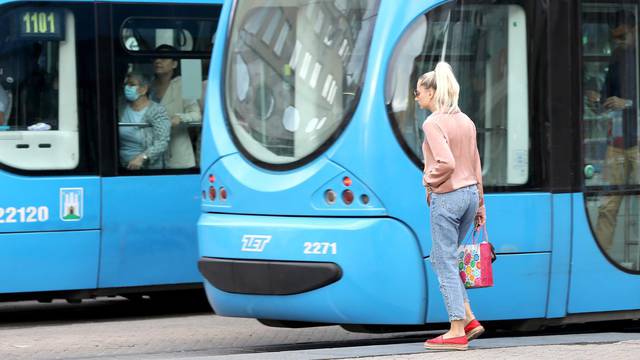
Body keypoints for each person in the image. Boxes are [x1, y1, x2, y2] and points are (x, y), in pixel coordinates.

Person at [415, 62, 486, 351]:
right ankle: (468, 318)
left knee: (442, 260)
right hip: (470, 195)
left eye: (418, 92)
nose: (416, 96)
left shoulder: (432, 123)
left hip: (448, 196)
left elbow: (447, 162)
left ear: (432, 93)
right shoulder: (466, 120)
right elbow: (476, 163)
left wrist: (428, 180)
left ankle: (456, 329)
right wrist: (481, 204)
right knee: (448, 258)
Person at [587, 10, 638, 252]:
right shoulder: (616, 60)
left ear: (635, 31)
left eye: (622, 36)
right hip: (617, 142)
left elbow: (623, 101)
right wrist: (597, 100)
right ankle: (600, 258)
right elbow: (607, 100)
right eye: (615, 38)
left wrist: (626, 103)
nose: (618, 43)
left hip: (637, 141)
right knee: (608, 207)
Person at [151, 45, 202, 169]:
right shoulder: (148, 85)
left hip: (178, 152)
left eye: (163, 58)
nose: (158, 61)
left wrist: (180, 118)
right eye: (156, 58)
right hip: (152, 151)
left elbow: (197, 115)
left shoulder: (187, 81)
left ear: (174, 64)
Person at [119, 71, 171, 170]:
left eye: (132, 85)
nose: (127, 88)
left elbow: (162, 142)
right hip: (121, 165)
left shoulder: (157, 110)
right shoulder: (121, 107)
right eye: (126, 84)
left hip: (146, 167)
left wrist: (142, 158)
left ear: (144, 89)